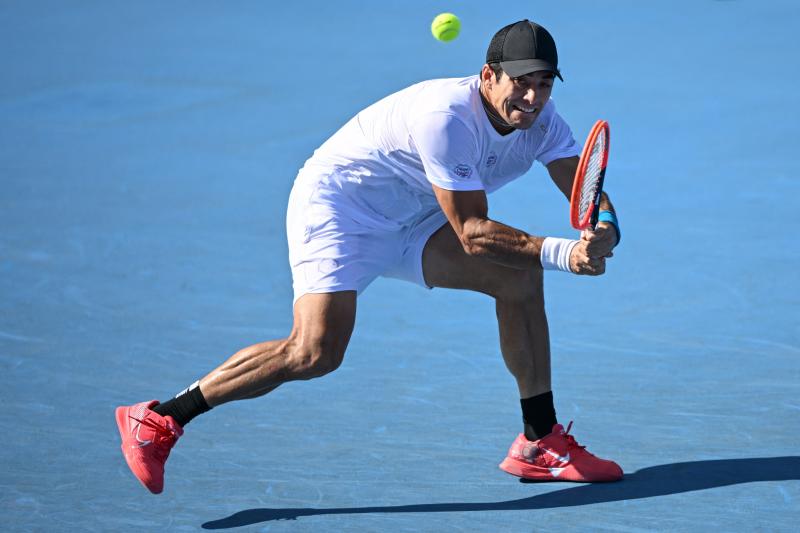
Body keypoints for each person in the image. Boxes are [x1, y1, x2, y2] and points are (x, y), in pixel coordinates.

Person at [115, 19, 623, 494]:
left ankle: (538, 441)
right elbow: (471, 231)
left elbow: (583, 186)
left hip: (418, 212)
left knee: (518, 279)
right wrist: (565, 254)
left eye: (544, 84)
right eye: (521, 83)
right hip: (343, 208)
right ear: (488, 76)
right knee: (314, 352)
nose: (533, 98)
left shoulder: (542, 120)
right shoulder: (446, 117)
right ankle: (161, 417)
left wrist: (604, 227)